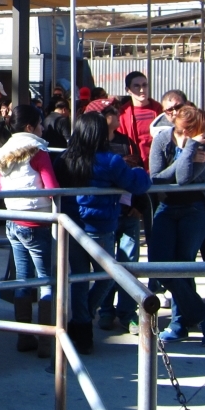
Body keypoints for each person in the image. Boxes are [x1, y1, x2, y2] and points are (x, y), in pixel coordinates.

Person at [54, 112, 151, 354]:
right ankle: (83, 320)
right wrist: (139, 169)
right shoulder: (111, 161)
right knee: (108, 276)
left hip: (72, 225)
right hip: (101, 226)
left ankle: (81, 326)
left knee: (78, 277)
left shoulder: (65, 159)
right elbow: (137, 184)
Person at [149, 105, 205, 344]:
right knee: (159, 264)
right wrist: (187, 153)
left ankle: (179, 322)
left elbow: (185, 179)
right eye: (189, 129)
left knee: (182, 263)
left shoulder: (203, 142)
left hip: (196, 209)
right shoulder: (163, 139)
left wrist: (190, 153)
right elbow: (156, 177)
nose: (196, 134)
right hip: (167, 207)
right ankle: (200, 313)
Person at [0, 104, 58, 357]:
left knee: (23, 279)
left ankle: (24, 336)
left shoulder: (3, 153)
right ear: (30, 127)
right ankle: (48, 341)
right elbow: (51, 188)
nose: (42, 127)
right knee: (47, 281)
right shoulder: (38, 151)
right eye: (39, 123)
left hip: (13, 222)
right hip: (37, 223)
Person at [90, 99, 145, 334]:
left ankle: (127, 312)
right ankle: (105, 310)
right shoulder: (93, 146)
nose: (118, 115)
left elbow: (139, 173)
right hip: (105, 215)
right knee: (106, 266)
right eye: (112, 112)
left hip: (128, 212)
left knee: (129, 262)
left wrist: (139, 204)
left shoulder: (126, 142)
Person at [118, 72, 164, 169]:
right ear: (128, 90)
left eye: (144, 85)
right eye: (136, 86)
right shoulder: (122, 114)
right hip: (134, 167)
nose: (142, 90)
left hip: (159, 164)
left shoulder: (160, 109)